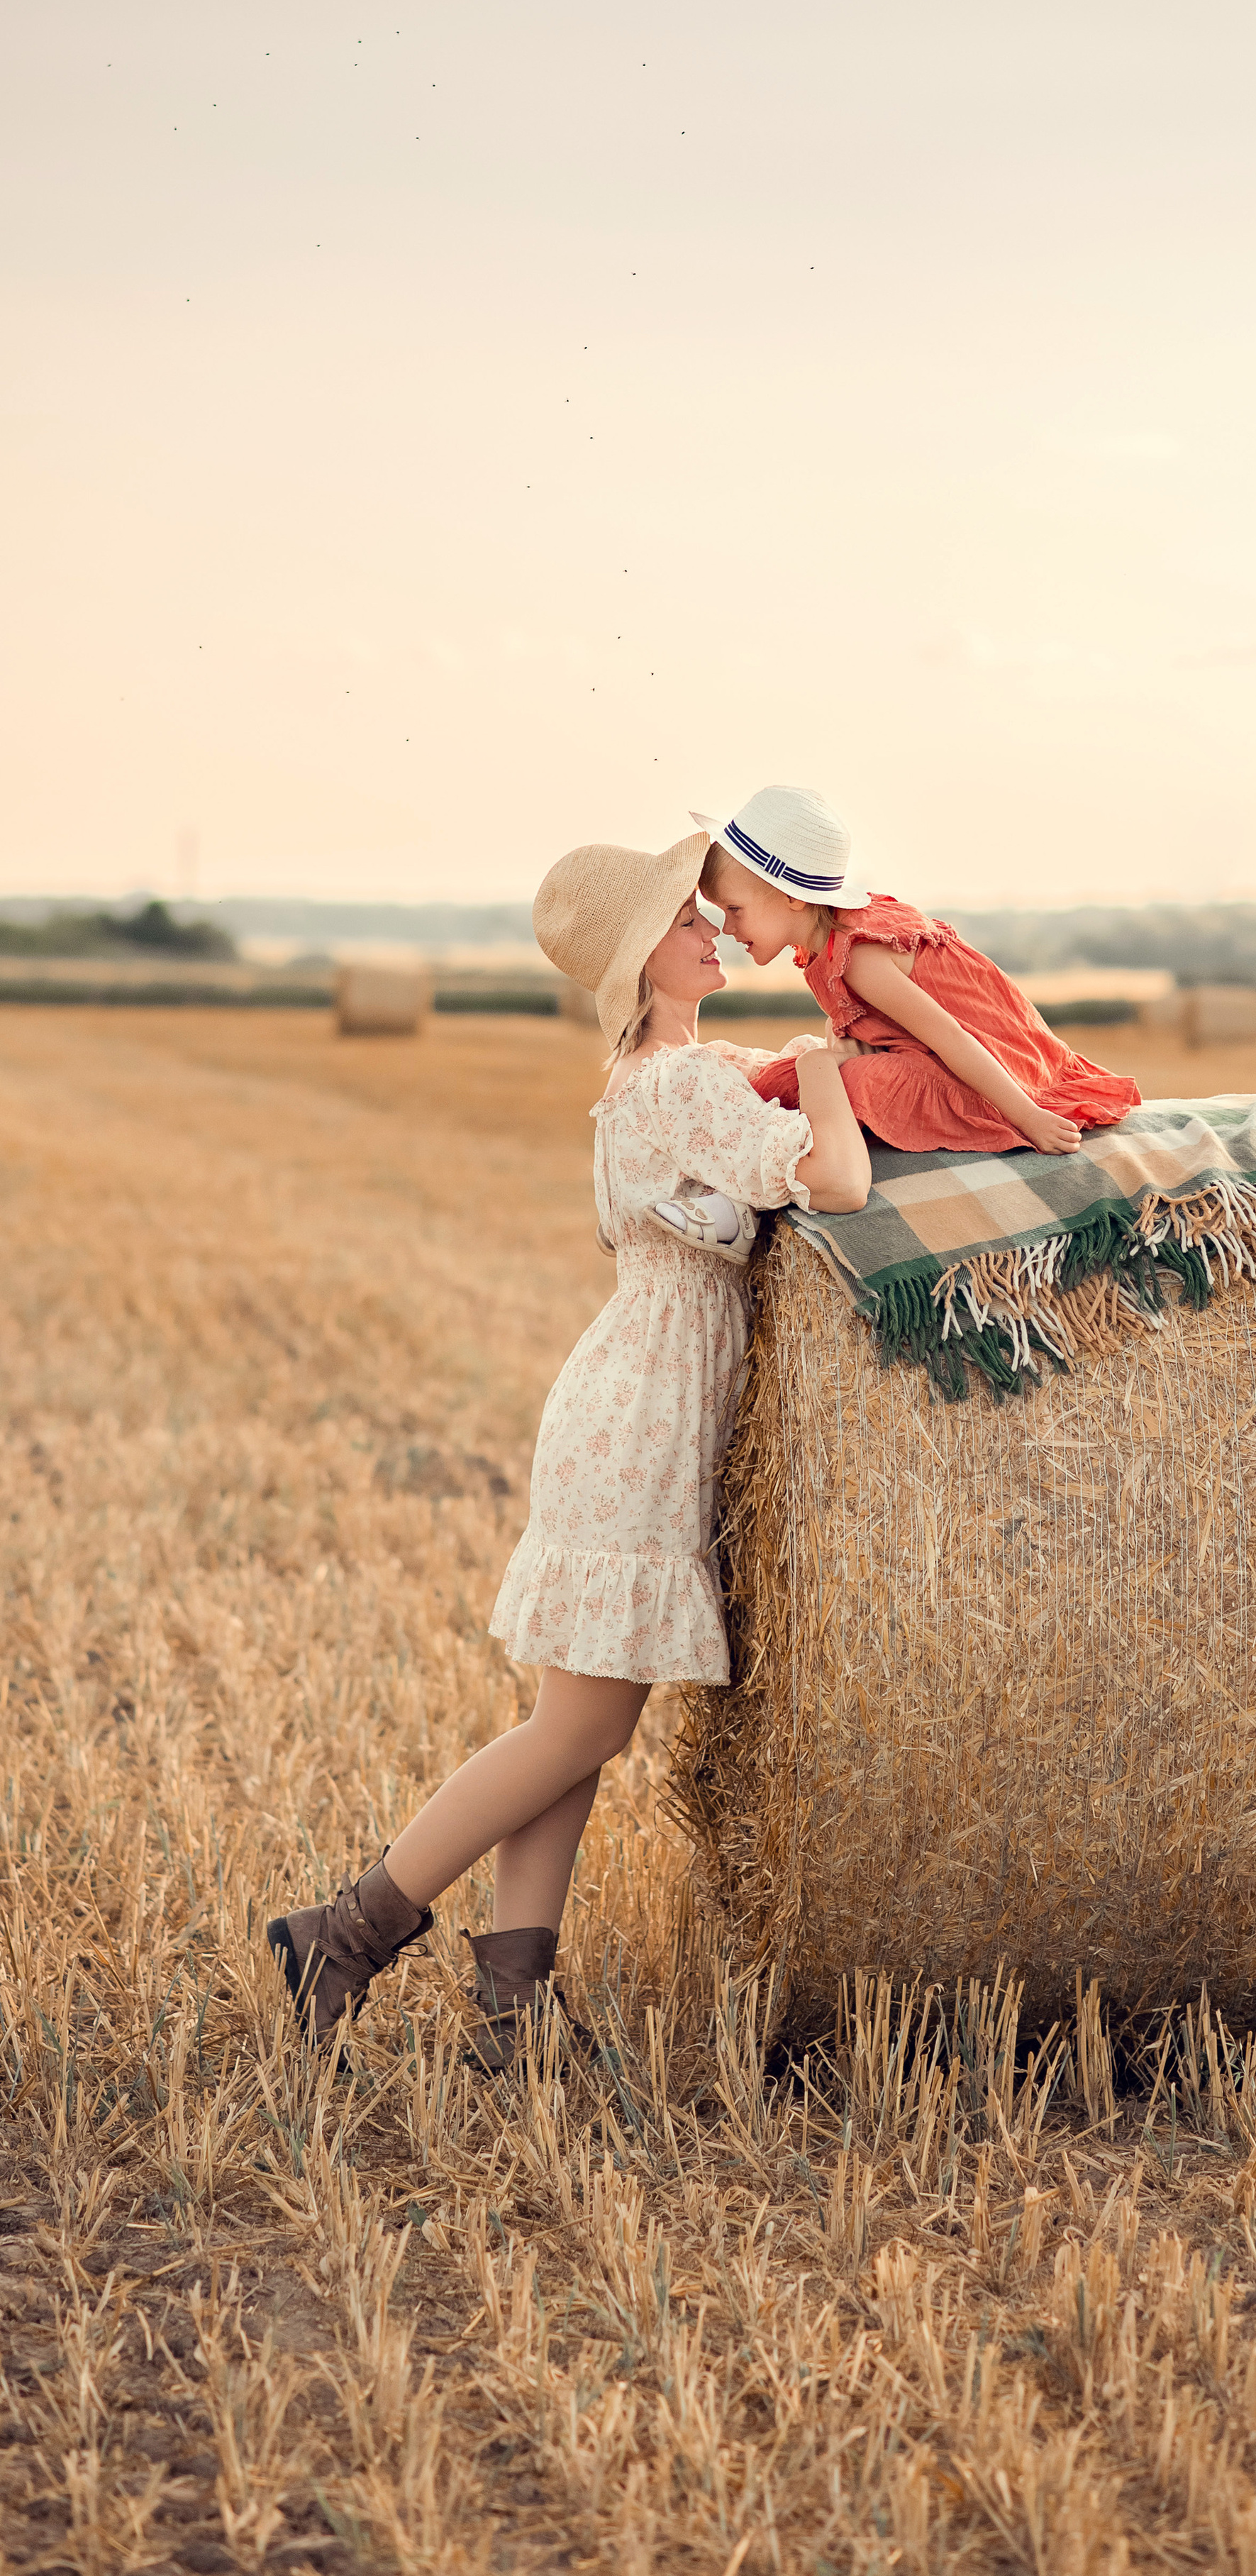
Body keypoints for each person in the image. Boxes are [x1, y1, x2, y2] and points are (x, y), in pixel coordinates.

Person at [265, 833, 871, 2065]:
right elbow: (843, 1181)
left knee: (577, 1729)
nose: (715, 926)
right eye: (687, 918)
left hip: (629, 1405)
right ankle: (344, 1931)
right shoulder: (679, 1085)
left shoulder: (660, 1074)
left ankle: (511, 2007)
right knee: (577, 1732)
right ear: (640, 957)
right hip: (640, 1422)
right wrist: (825, 1074)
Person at [694, 785, 1141, 1155]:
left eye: (734, 909)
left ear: (792, 896)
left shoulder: (860, 958)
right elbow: (865, 1018)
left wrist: (1028, 1116)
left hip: (986, 1069)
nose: (726, 928)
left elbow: (951, 1036)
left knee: (830, 1085)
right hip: (937, 1056)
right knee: (798, 1077)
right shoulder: (827, 945)